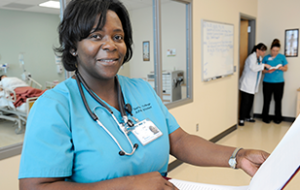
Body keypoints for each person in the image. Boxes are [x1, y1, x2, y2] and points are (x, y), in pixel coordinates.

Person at [19, 0, 269, 189]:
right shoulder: (55, 106)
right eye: (96, 36)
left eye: (118, 36)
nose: (110, 45)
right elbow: (35, 187)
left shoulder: (139, 89)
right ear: (73, 47)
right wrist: (130, 185)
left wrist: (237, 156)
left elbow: (179, 141)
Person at [238, 43, 271, 126]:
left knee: (250, 102)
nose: (264, 52)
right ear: (257, 50)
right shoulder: (251, 58)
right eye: (262, 50)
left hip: (253, 84)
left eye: (264, 51)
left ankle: (247, 116)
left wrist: (265, 69)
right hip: (246, 84)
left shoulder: (259, 58)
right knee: (245, 102)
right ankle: (241, 119)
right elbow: (253, 68)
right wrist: (264, 65)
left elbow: (259, 69)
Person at [261, 39, 288, 124]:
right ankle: (265, 117)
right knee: (266, 100)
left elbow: (286, 68)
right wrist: (267, 71)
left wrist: (281, 68)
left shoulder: (282, 57)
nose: (275, 52)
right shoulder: (266, 57)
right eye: (273, 50)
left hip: (279, 82)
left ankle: (278, 118)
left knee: (278, 100)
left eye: (276, 51)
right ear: (271, 49)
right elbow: (262, 70)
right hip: (267, 82)